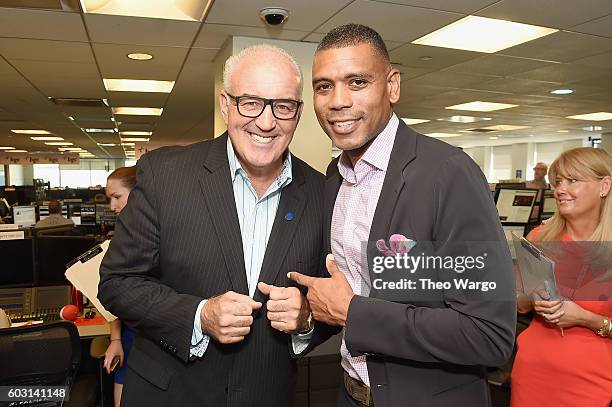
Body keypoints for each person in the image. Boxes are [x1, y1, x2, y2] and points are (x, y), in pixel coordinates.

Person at [289, 24, 516, 407]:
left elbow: (488, 335)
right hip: (351, 394)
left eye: (357, 82)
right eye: (323, 86)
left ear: (392, 85)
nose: (337, 101)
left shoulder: (448, 173)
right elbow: (357, 293)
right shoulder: (335, 179)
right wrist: (306, 315)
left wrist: (354, 313)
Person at [98, 44, 328, 407]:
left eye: (283, 106)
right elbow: (117, 283)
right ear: (225, 104)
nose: (267, 122)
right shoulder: (165, 175)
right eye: (250, 102)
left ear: (298, 112)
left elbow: (328, 299)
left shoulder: (322, 193)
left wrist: (307, 318)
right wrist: (199, 315)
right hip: (170, 395)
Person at [512, 147, 612, 406]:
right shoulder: (539, 239)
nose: (560, 189)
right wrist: (532, 300)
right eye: (558, 182)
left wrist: (585, 318)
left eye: (573, 180)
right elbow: (516, 302)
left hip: (592, 382)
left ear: (604, 186)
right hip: (531, 374)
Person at [102, 166, 137, 407]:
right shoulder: (119, 241)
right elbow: (116, 298)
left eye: (117, 197)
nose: (112, 207)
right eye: (110, 199)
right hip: (129, 336)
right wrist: (116, 340)